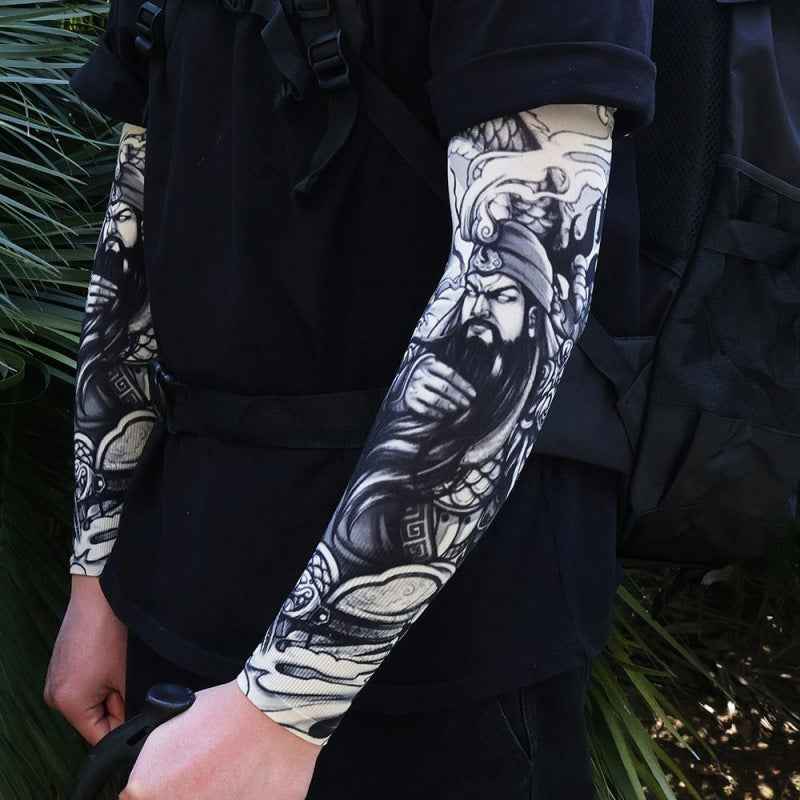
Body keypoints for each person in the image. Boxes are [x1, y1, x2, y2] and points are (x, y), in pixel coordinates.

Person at [44, 1, 656, 797]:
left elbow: (519, 290)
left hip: (447, 653)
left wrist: (286, 702)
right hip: (181, 590)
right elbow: (136, 224)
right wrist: (95, 582)